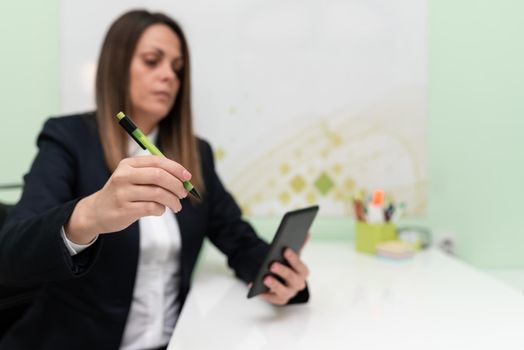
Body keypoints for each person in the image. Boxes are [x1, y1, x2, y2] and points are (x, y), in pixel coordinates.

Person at [0, 9, 309, 350]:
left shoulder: (195, 153)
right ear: (117, 66)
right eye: (152, 61)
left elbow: (236, 238)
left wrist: (279, 276)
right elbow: (11, 253)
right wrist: (89, 214)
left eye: (177, 68)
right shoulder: (68, 138)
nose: (169, 76)